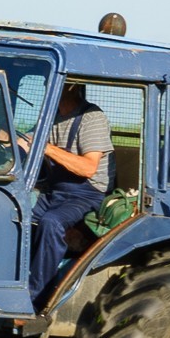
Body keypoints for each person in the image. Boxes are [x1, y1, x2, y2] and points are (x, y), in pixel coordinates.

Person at [25, 77, 113, 302]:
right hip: (56, 190)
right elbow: (27, 143)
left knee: (52, 222)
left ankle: (35, 298)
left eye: (53, 81)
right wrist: (1, 135)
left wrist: (48, 149)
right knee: (15, 214)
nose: (46, 86)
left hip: (86, 193)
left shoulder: (92, 117)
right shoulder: (52, 117)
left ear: (70, 85)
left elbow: (88, 168)